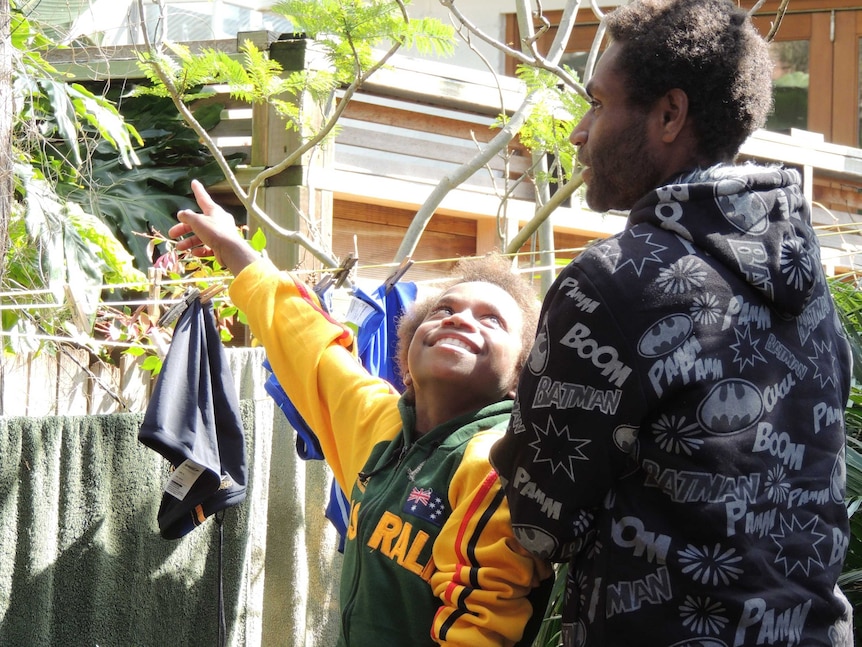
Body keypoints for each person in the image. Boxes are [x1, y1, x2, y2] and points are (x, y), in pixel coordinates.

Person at [489, 1, 855, 646]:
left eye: (598, 104)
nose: (579, 130)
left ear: (668, 114)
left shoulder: (614, 282)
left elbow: (542, 524)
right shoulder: (806, 284)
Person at [169, 180, 552, 646]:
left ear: (521, 371)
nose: (460, 319)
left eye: (491, 319)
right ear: (409, 345)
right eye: (445, 309)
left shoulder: (497, 461)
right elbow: (307, 340)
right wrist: (233, 247)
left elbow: (483, 629)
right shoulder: (381, 422)